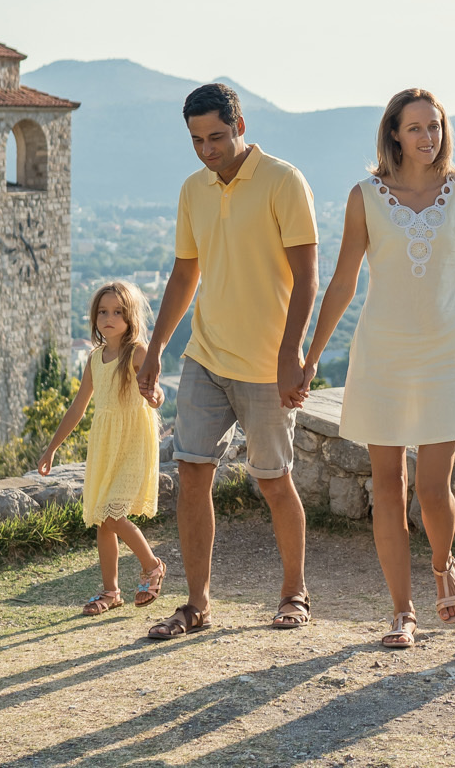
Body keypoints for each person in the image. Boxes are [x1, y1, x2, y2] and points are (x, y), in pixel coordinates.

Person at [300, 87, 455, 649]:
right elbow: (344, 282)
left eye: (436, 126)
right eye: (417, 127)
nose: (429, 136)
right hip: (382, 354)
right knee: (388, 488)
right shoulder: (365, 196)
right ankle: (402, 611)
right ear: (394, 133)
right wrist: (311, 357)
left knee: (432, 486)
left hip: (446, 353)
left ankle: (442, 563)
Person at [137, 83, 319, 639]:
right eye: (196, 140)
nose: (207, 150)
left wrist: (293, 356)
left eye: (216, 137)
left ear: (239, 124)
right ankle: (196, 605)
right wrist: (158, 347)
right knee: (191, 473)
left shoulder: (283, 181)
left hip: (267, 366)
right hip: (206, 357)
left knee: (273, 480)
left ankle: (295, 593)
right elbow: (184, 274)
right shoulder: (193, 190)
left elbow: (308, 277)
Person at [38, 280, 166, 615]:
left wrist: (155, 397)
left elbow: (157, 390)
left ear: (130, 316)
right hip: (106, 443)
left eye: (118, 311)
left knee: (112, 512)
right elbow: (78, 406)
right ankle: (111, 592)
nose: (109, 317)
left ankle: (152, 566)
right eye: (103, 312)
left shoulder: (137, 352)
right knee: (103, 520)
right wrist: (52, 448)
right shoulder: (95, 358)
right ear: (94, 317)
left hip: (133, 439)